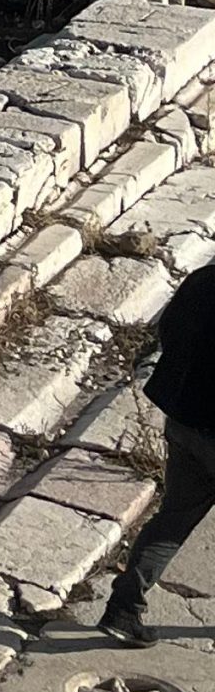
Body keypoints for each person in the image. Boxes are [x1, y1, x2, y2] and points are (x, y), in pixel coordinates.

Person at [104, 258, 215, 645]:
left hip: (184, 421)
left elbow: (168, 331)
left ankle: (123, 610)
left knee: (173, 520)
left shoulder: (203, 280)